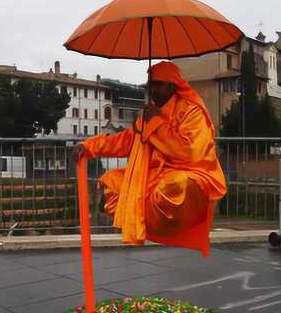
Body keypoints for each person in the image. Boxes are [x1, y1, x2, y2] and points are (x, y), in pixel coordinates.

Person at [73, 61, 226, 256]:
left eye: (157, 85)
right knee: (111, 182)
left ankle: (161, 222)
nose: (152, 90)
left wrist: (157, 121)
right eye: (150, 85)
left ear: (171, 86)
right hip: (153, 176)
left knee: (174, 186)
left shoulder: (191, 111)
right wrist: (88, 146)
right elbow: (124, 141)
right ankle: (143, 222)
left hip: (190, 174)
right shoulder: (147, 115)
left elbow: (188, 151)